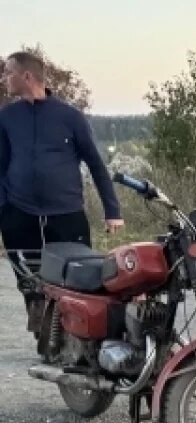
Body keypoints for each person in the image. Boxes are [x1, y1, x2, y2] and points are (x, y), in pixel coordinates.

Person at [0, 50, 123, 321]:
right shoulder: (7, 117)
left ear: (27, 75)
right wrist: (3, 207)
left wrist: (112, 210)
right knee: (29, 276)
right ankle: (40, 324)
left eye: (8, 72)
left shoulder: (70, 117)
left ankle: (74, 333)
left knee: (76, 278)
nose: (4, 78)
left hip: (66, 212)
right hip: (19, 213)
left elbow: (95, 163)